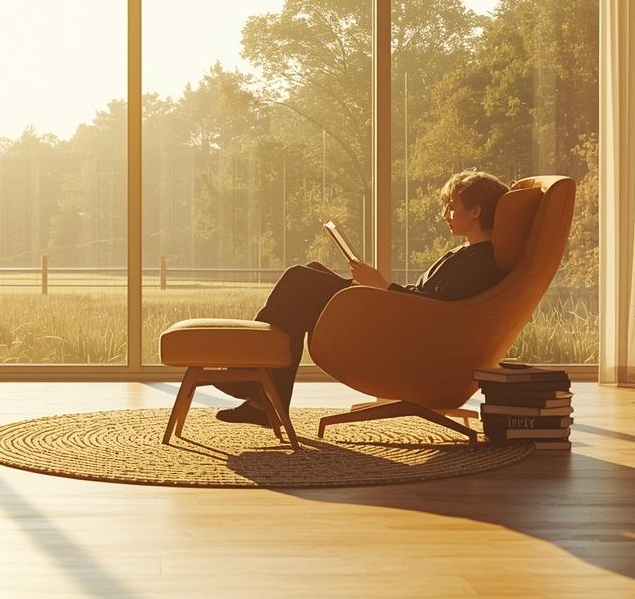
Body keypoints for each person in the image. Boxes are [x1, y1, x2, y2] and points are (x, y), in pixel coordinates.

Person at [215, 169, 512, 425]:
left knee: (299, 281)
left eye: (451, 206)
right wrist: (374, 287)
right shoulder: (468, 253)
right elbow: (430, 301)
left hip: (406, 339)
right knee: (308, 275)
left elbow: (437, 309)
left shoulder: (482, 260)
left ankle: (253, 381)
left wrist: (383, 288)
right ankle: (263, 397)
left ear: (476, 211)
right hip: (402, 321)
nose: (444, 214)